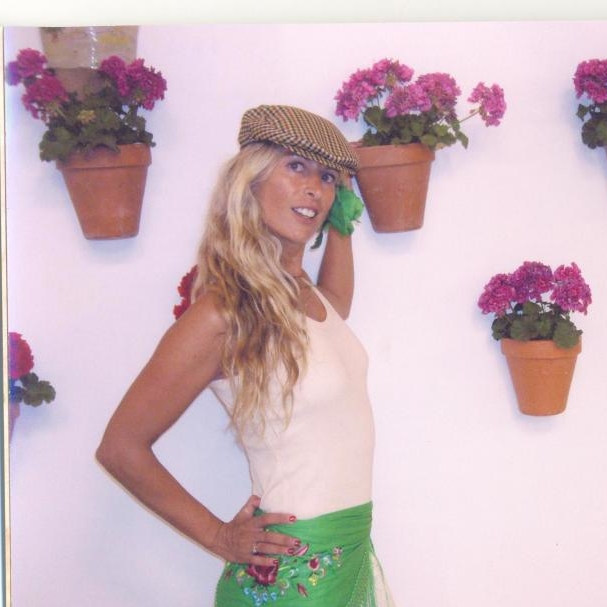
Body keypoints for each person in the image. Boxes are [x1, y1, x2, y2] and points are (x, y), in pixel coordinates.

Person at [96, 104, 394, 606]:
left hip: (350, 551)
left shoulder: (312, 298)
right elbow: (120, 447)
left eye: (325, 177)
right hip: (294, 576)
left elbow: (337, 306)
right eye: (295, 166)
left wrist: (343, 207)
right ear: (250, 181)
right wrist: (218, 536)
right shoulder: (223, 314)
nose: (314, 188)